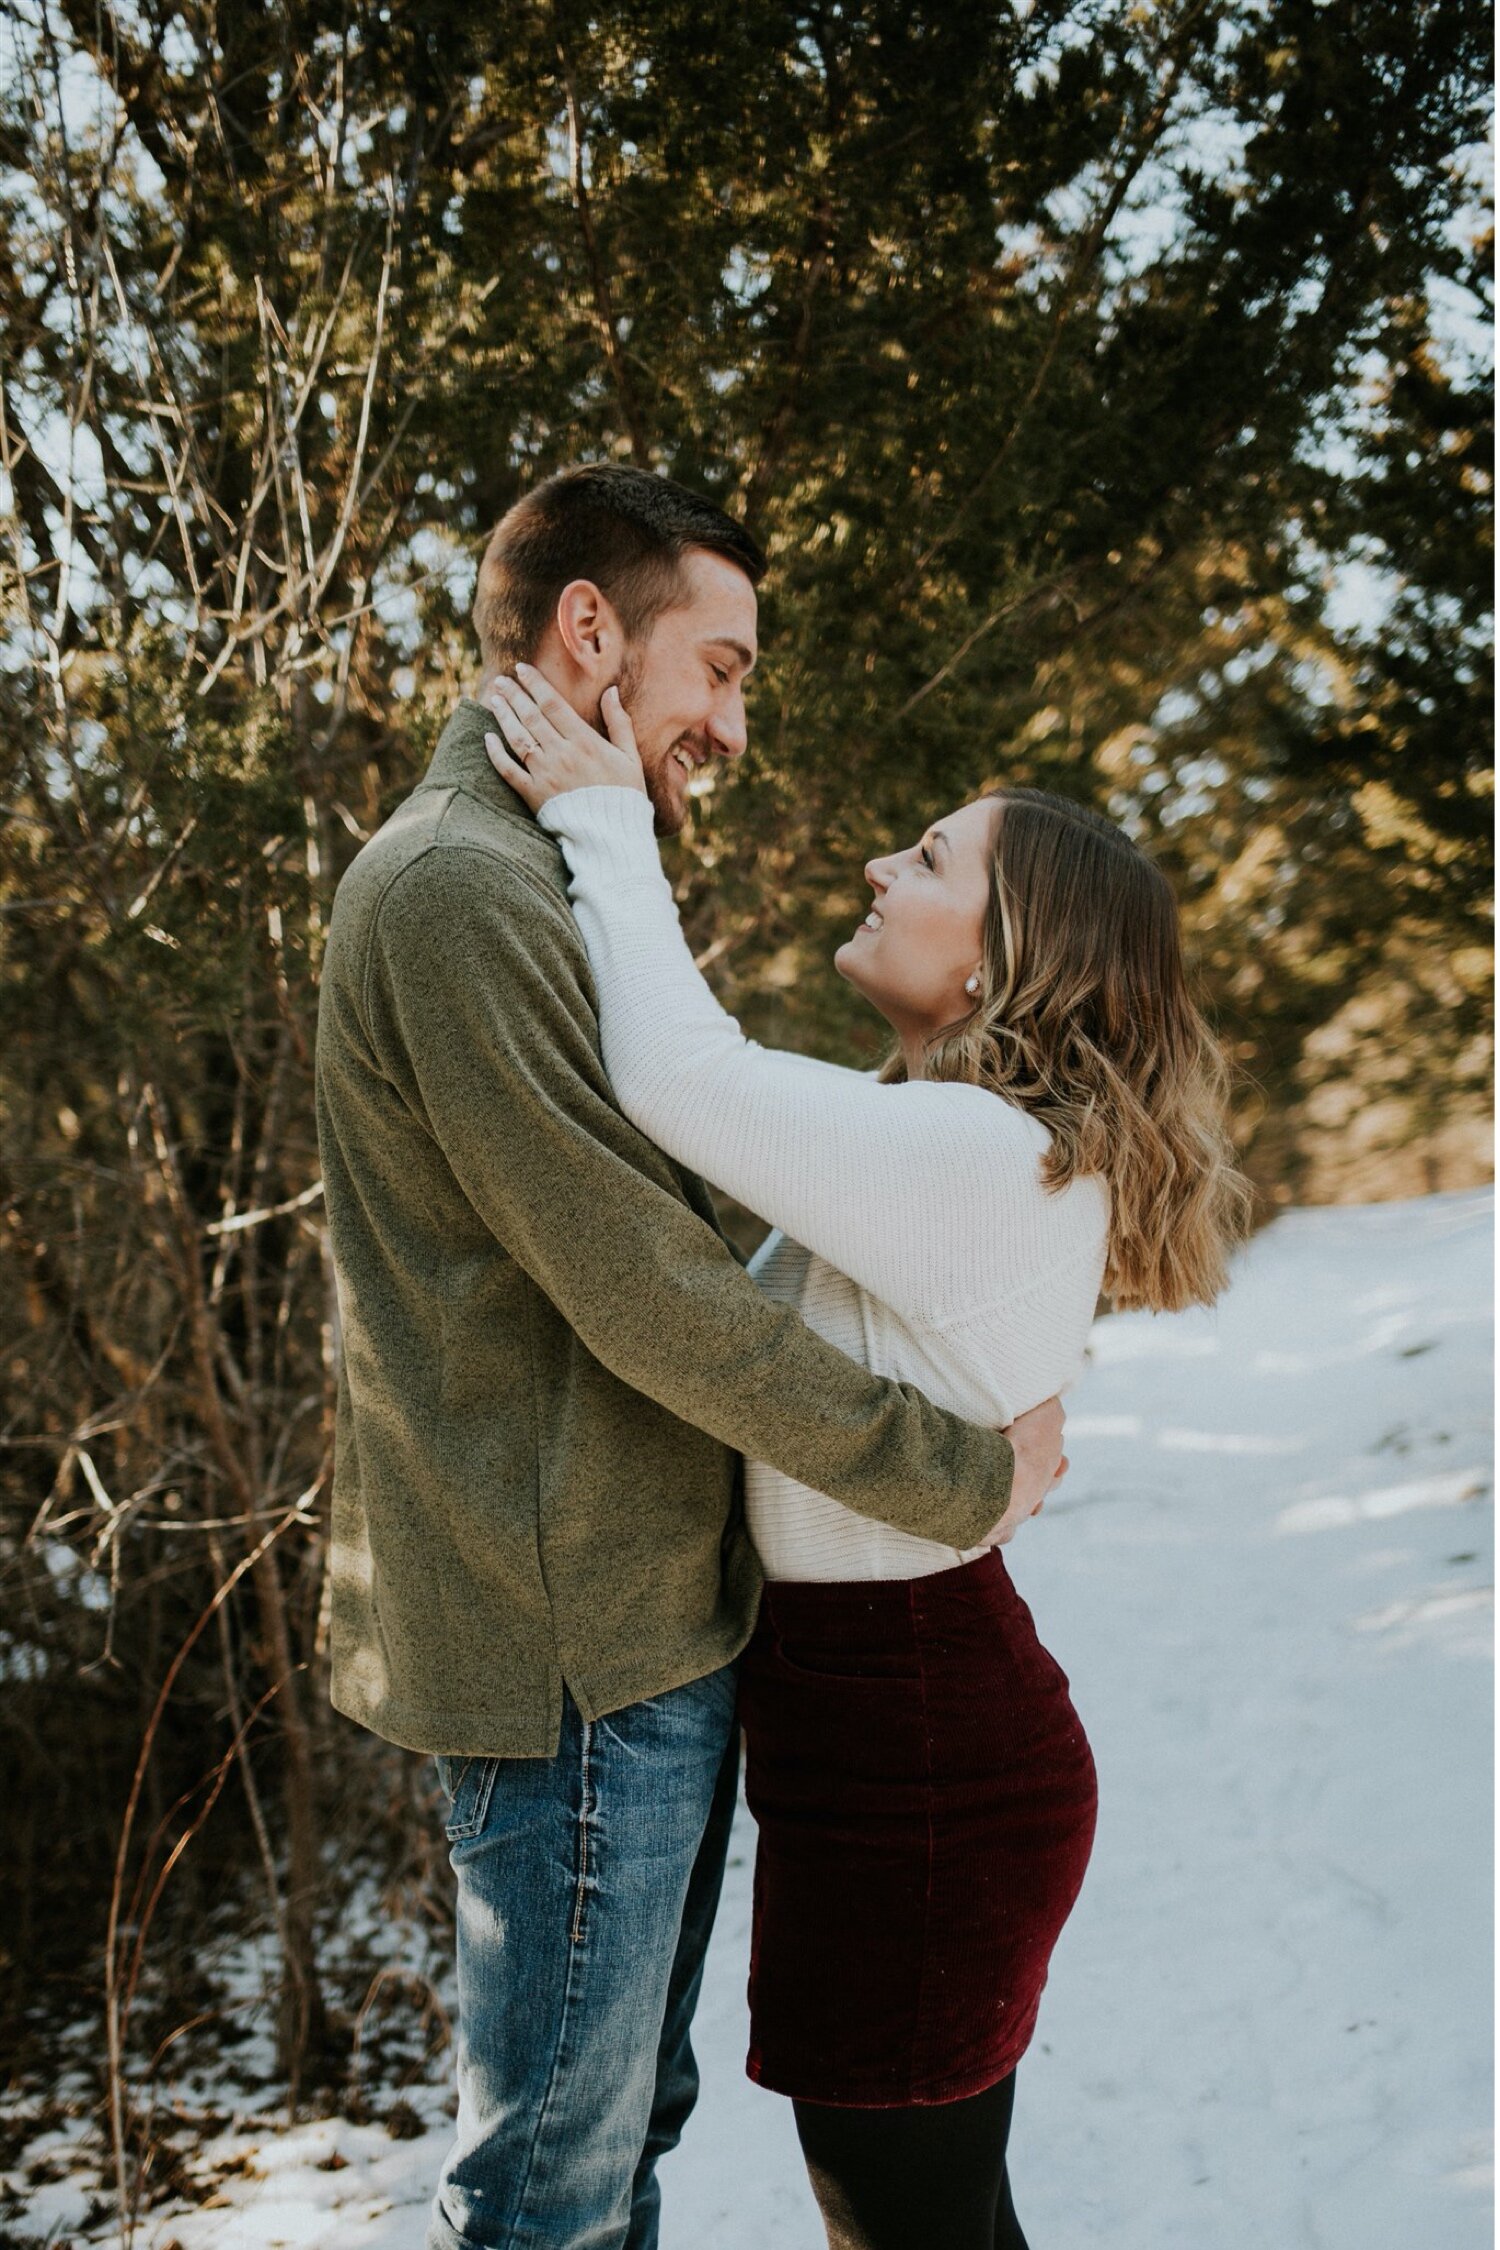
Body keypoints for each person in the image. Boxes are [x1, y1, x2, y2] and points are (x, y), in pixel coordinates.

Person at [313, 463, 1069, 2250]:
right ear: (593, 631)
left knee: (614, 2131)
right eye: (717, 668)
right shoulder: (454, 892)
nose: (732, 721)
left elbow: (672, 1228)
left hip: (642, 1618)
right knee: (553, 2184)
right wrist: (959, 1471)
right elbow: (648, 1289)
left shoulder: (544, 869)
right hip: (572, 1643)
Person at [480, 665, 1252, 2250]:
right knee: (940, 2226)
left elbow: (682, 1079)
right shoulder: (958, 1140)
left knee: (907, 2233)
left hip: (920, 1771)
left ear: (1002, 955)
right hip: (895, 1739)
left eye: (926, 860)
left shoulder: (981, 1153)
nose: (879, 872)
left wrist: (607, 820)